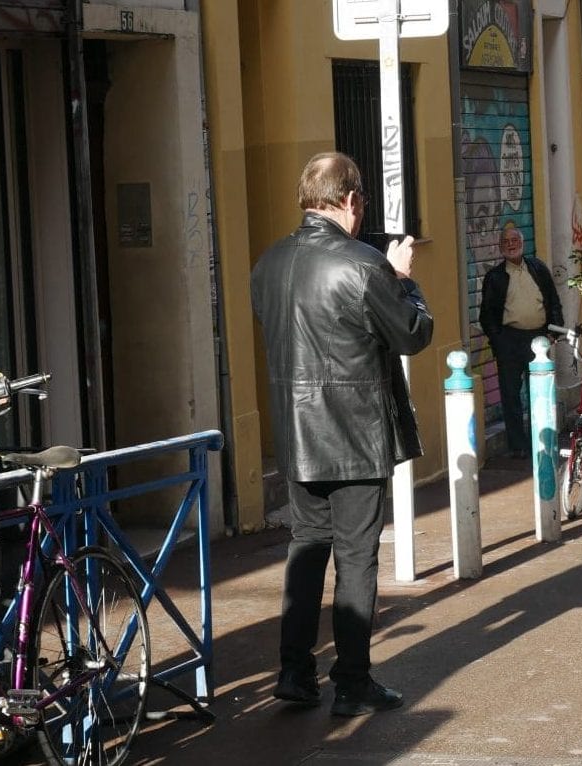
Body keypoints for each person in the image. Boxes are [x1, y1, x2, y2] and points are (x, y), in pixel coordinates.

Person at [250, 152, 433, 715]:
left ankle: (294, 671)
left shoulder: (270, 262)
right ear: (351, 200)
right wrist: (404, 280)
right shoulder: (364, 264)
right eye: (362, 204)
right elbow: (411, 334)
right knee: (356, 559)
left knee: (306, 549)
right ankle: (352, 681)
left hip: (299, 433)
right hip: (355, 435)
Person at [478, 222, 564, 458]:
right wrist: (499, 342)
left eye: (514, 241)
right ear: (500, 247)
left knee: (541, 390)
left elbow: (553, 300)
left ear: (522, 244)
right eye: (506, 242)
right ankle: (518, 445)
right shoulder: (495, 277)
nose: (511, 245)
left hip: (538, 339)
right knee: (510, 394)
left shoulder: (538, 268)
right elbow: (486, 314)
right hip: (510, 341)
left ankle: (543, 438)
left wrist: (553, 332)